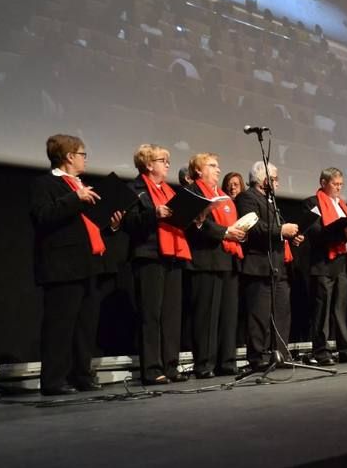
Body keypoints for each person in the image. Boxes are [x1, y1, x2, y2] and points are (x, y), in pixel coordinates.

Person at [30, 134, 123, 395]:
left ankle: (81, 374)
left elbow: (88, 226)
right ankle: (53, 380)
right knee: (60, 326)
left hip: (88, 265)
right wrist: (75, 198)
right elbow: (43, 215)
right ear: (69, 156)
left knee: (85, 326)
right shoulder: (45, 183)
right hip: (62, 267)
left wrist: (112, 225)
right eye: (83, 154)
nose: (85, 159)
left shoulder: (81, 185)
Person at [122, 144, 191, 385]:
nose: (168, 165)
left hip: (173, 255)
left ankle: (170, 366)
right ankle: (152, 369)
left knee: (171, 315)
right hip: (149, 255)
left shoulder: (170, 191)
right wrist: (155, 214)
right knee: (151, 315)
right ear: (149, 164)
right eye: (163, 160)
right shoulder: (134, 189)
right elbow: (128, 224)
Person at [235, 161, 303, 370]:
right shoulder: (247, 197)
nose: (278, 184)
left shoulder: (271, 201)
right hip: (258, 264)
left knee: (282, 311)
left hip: (277, 265)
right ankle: (257, 357)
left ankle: (280, 354)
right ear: (265, 180)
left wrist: (291, 238)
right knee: (259, 314)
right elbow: (253, 227)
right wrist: (282, 230)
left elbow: (275, 231)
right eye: (275, 179)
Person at [185, 153, 246, 378]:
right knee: (207, 316)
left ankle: (227, 361)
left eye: (218, 165)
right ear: (199, 170)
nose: (217, 169)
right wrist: (226, 233)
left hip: (228, 259)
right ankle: (205, 364)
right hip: (206, 259)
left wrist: (239, 232)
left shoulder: (222, 195)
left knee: (228, 315)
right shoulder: (193, 191)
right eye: (212, 165)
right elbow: (196, 225)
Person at [302, 167, 347, 365]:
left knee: (341, 308)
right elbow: (315, 232)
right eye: (335, 184)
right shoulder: (312, 203)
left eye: (340, 185)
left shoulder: (343, 205)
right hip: (323, 262)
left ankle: (346, 349)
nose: (338, 188)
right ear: (323, 183)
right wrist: (343, 234)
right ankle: (321, 351)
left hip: (343, 261)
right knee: (322, 309)